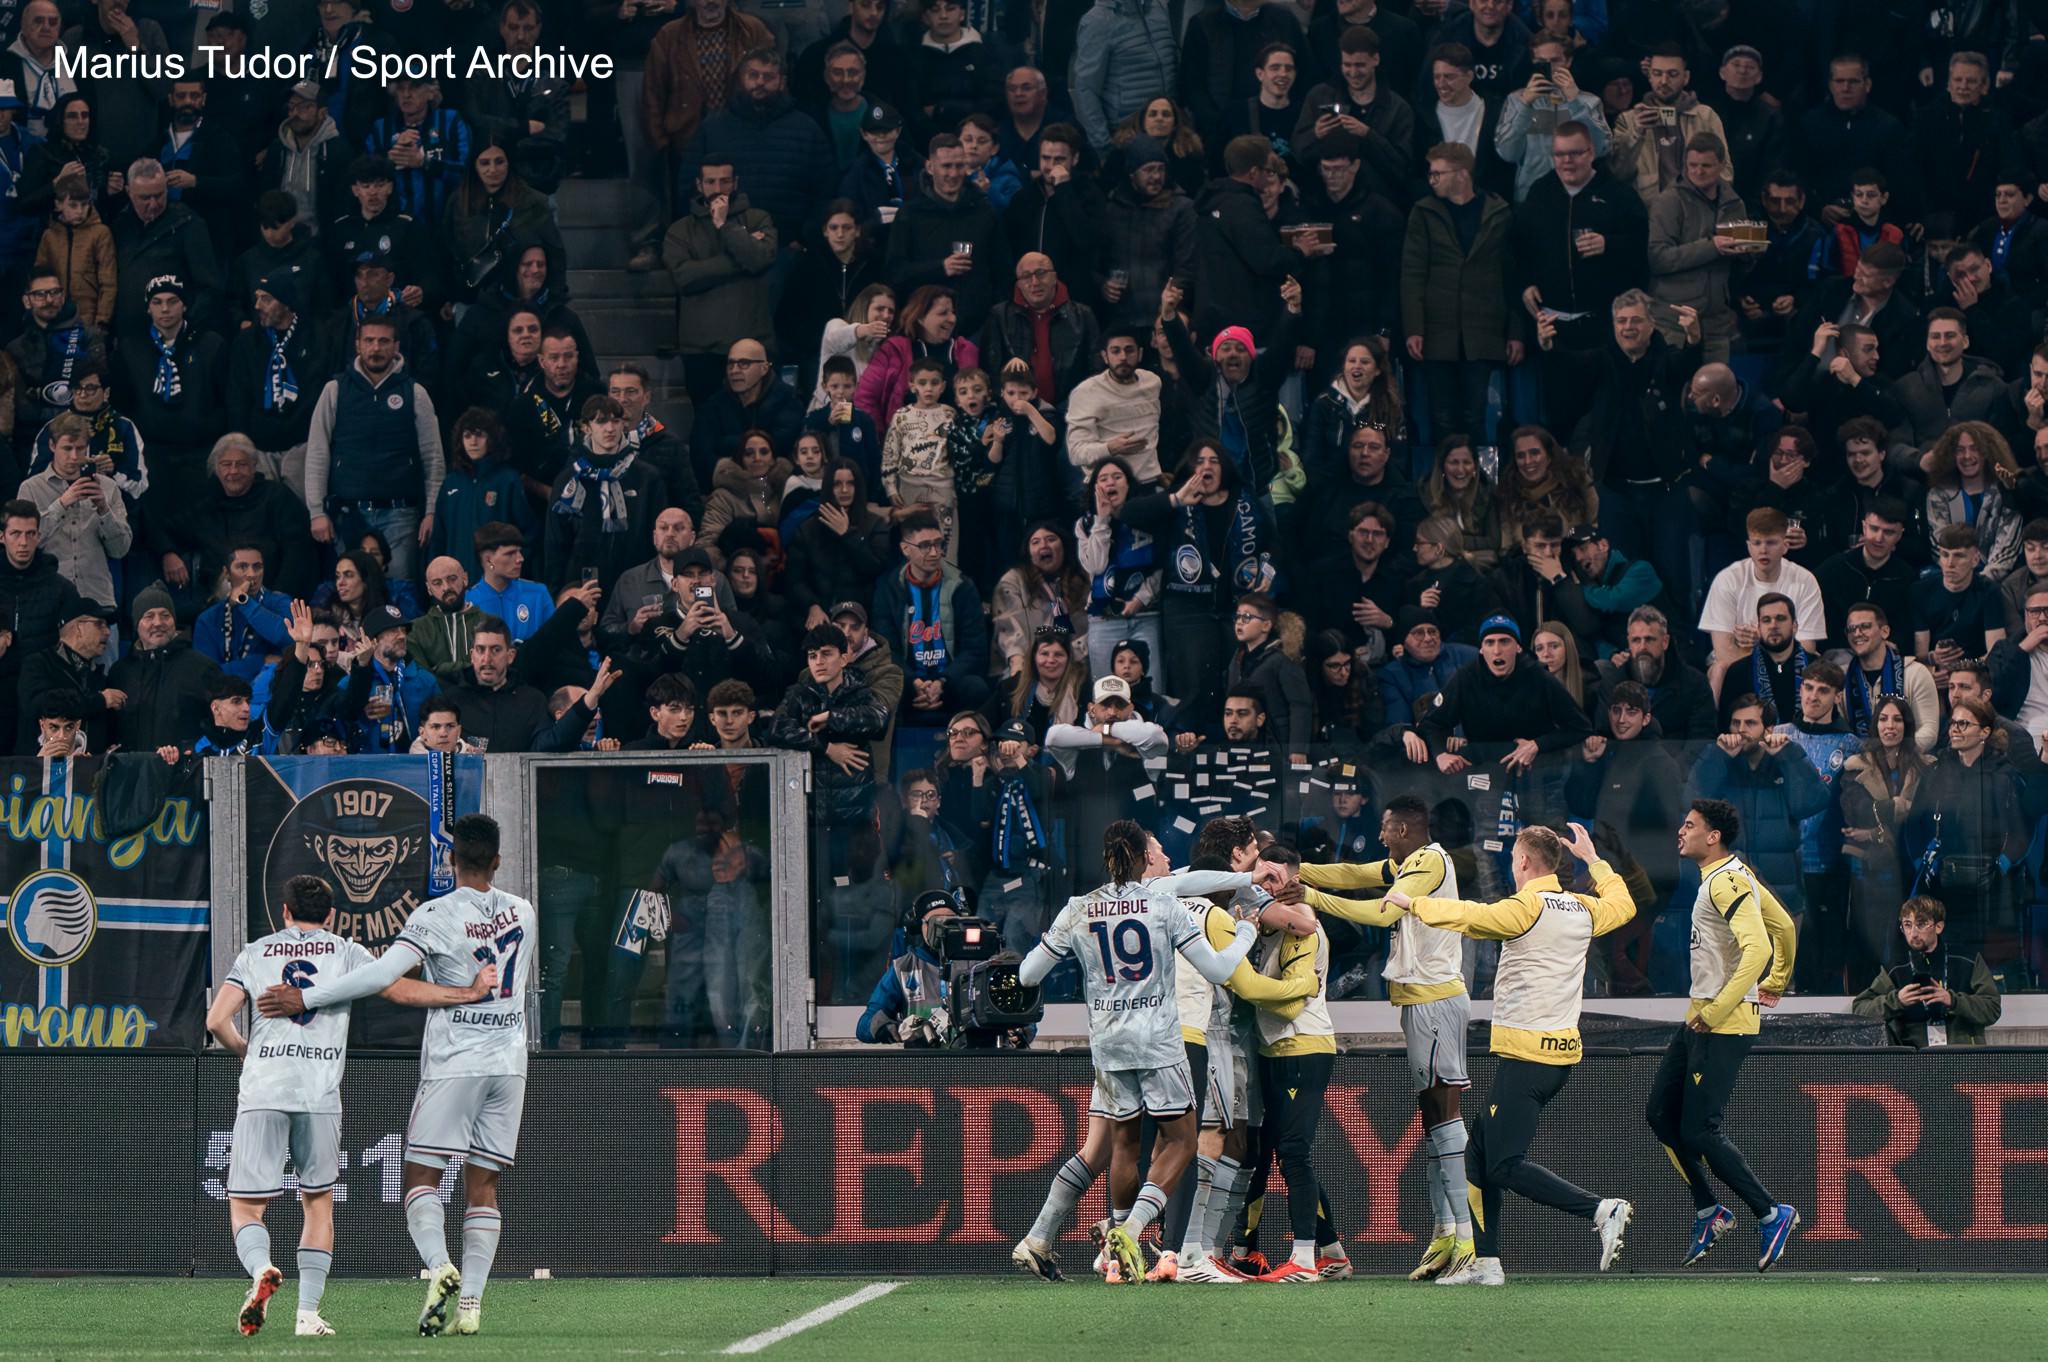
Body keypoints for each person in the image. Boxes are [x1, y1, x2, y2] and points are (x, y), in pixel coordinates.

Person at [257, 814, 535, 1338]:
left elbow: (384, 976)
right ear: (498, 861)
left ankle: (440, 1264)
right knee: (484, 1186)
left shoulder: (433, 915)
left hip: (457, 1063)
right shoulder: (524, 911)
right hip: (510, 1062)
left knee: (420, 1178)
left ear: (451, 860)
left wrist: (306, 996)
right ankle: (471, 1303)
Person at [206, 875, 494, 1338]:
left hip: (265, 1089)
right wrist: (467, 993)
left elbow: (216, 1020)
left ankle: (261, 1269)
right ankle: (307, 1315)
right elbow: (400, 990)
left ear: (283, 912)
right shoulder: (346, 951)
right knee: (318, 1203)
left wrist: (248, 1052)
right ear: (332, 916)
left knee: (245, 1206)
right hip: (319, 1094)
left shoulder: (255, 952)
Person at [1382, 821, 1633, 1285]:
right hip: (1557, 1053)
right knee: (1477, 1155)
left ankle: (1601, 1210)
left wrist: (1412, 903)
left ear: (1521, 861)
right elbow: (1625, 904)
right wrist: (1594, 859)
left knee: (1502, 1163)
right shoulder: (1581, 906)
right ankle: (1487, 1264)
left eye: (1513, 857)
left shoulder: (1526, 906)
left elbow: (1473, 917)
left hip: (1528, 1055)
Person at [1016, 819, 1259, 1283]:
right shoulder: (1164, 904)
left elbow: (1029, 974)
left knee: (1121, 1142)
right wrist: (1245, 934)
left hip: (1106, 1041)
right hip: (1159, 1039)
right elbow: (1215, 967)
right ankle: (1130, 1230)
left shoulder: (1079, 908)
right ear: (1144, 857)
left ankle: (1103, 1253)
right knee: (1183, 1140)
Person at [1295, 795, 1474, 1280]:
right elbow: (1354, 874)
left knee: (1445, 1111)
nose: (1379, 836)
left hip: (1435, 1000)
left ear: (1403, 829)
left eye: (1385, 828)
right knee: (1435, 1115)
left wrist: (1310, 897)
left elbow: (1379, 914)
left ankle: (1466, 1240)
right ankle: (1445, 1231)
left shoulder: (1429, 861)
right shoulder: (1408, 862)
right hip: (1422, 1001)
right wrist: (1303, 872)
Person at [1652, 798, 1801, 1271]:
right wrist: (1777, 982)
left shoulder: (1728, 880)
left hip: (1722, 1020)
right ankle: (1709, 1209)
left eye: (1690, 825)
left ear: (1712, 836)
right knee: (1660, 1113)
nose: (1681, 830)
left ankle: (1772, 1213)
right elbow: (1785, 929)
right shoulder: (1734, 876)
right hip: (1704, 1015)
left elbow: (1757, 947)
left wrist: (1721, 1007)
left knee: (1699, 1129)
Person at [302, 316, 444, 585]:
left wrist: (432, 511)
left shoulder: (415, 393)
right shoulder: (335, 390)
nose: (376, 348)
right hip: (349, 513)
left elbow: (433, 458)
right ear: (357, 345)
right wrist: (316, 512)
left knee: (400, 590)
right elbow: (318, 454)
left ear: (396, 346)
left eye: (383, 341)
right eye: (369, 340)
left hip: (401, 514)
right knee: (350, 593)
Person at [1402, 141, 1520, 443]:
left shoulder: (1500, 212)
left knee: (1477, 415)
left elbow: (1513, 277)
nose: (1432, 180)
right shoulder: (1424, 212)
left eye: (1438, 174)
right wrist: (1414, 328)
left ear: (1463, 174)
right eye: (1431, 174)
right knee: (1441, 417)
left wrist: (1515, 332)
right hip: (1437, 329)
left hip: (1483, 329)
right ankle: (1444, 484)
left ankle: (1478, 484)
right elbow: (1412, 273)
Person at [663, 157, 778, 399]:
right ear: (699, 184)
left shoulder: (758, 219)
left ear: (735, 183)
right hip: (700, 350)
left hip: (752, 345)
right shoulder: (680, 230)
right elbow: (684, 277)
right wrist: (739, 258)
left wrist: (725, 225)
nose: (717, 189)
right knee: (707, 424)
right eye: (711, 182)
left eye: (725, 181)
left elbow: (760, 260)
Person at [1850, 895, 2003, 1047]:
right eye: (1907, 925)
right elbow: (1860, 1010)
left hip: (1961, 1057)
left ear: (1939, 927)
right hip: (1913, 1059)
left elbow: (1992, 1009)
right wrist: (1896, 1001)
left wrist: (1953, 1001)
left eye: (1921, 924)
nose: (1913, 933)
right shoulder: (1897, 967)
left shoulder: (1967, 960)